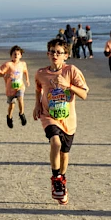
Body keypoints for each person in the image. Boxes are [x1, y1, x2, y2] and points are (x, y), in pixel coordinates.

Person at [33, 39, 89, 205]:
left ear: (66, 55)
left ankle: (61, 180)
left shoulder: (71, 71)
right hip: (48, 116)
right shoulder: (41, 73)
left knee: (64, 154)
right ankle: (56, 178)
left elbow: (84, 94)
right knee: (55, 143)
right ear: (47, 54)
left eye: (58, 52)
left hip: (68, 120)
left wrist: (68, 86)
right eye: (51, 51)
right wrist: (37, 104)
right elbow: (38, 88)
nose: (54, 55)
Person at [0, 45, 30, 128]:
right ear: (11, 55)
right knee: (12, 106)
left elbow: (25, 71)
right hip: (10, 89)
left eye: (18, 54)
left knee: (20, 99)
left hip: (20, 86)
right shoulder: (8, 64)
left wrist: (27, 80)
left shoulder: (23, 64)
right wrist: (5, 74)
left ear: (21, 55)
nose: (16, 55)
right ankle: (9, 117)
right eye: (14, 54)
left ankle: (22, 114)